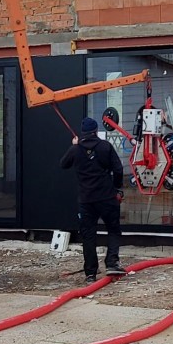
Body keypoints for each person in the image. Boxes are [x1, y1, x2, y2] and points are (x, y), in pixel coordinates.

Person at [61, 116, 125, 281]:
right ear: (96, 131)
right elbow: (118, 169)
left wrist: (73, 146)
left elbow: (63, 164)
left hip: (86, 200)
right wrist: (118, 188)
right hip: (107, 197)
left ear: (83, 132)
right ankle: (112, 263)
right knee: (113, 229)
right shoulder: (105, 147)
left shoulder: (76, 149)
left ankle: (91, 273)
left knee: (88, 235)